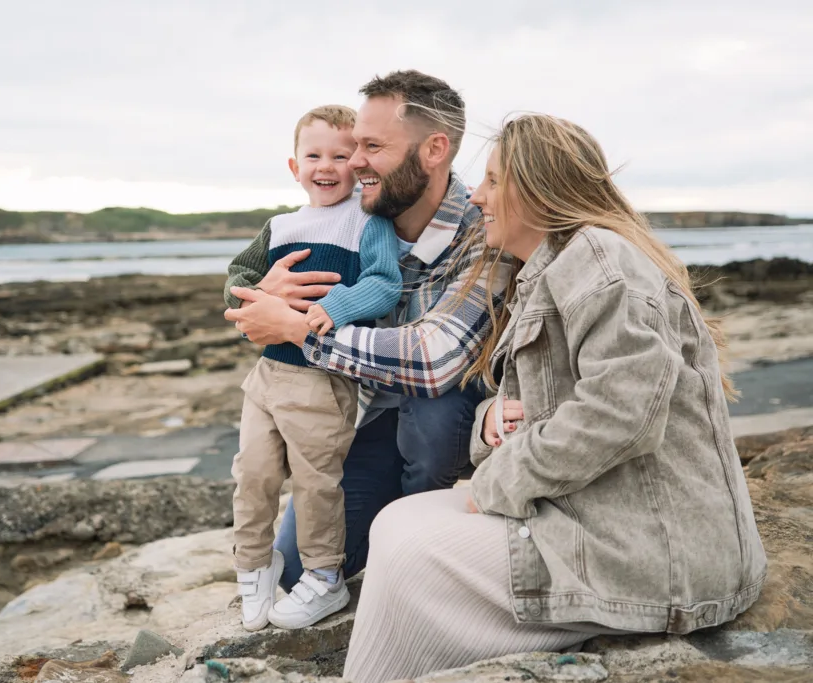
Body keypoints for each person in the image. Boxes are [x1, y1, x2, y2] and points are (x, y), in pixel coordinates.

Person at [342, 113, 767, 683]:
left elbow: (622, 414)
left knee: (414, 550)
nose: (477, 199)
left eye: (492, 182)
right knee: (396, 522)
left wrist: (497, 483)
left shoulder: (600, 261)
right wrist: (494, 416)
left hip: (663, 557)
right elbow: (549, 399)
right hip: (605, 515)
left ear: (536, 189)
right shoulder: (549, 269)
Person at [224, 70, 513, 594]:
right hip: (375, 413)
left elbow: (434, 360)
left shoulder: (486, 233)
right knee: (294, 573)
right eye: (353, 145)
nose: (353, 162)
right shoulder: (346, 226)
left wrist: (298, 329)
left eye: (371, 146)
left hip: (458, 420)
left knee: (432, 407)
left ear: (434, 150)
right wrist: (263, 297)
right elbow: (257, 305)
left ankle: (424, 555)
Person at [227, 104, 403, 631]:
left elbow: (384, 283)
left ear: (358, 163)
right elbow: (240, 273)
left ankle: (325, 577)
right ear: (293, 165)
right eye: (313, 155)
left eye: (340, 155)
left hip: (322, 378)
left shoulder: (368, 222)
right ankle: (254, 565)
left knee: (316, 483)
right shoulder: (279, 226)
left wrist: (333, 308)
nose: (326, 166)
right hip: (266, 375)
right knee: (251, 475)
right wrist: (257, 293)